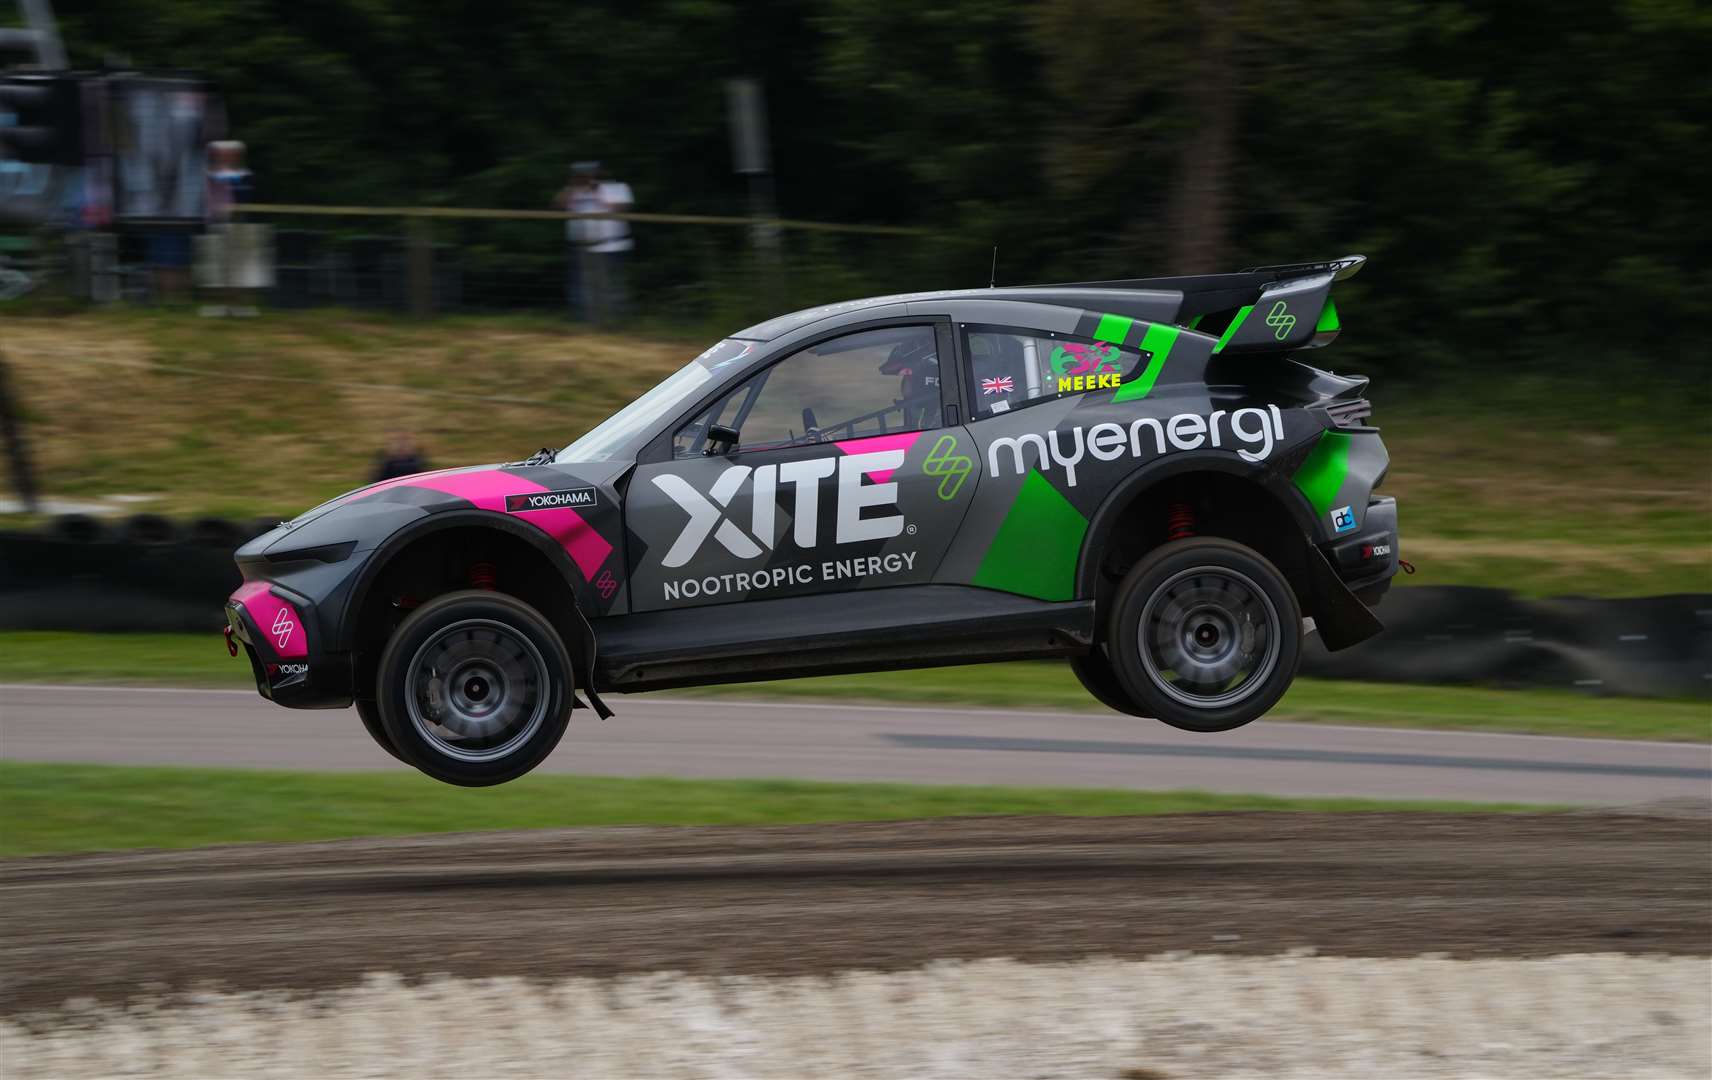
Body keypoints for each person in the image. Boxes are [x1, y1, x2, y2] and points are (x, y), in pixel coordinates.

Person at [553, 161, 633, 323]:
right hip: (581, 246)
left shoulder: (618, 188)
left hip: (611, 246)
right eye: (581, 174)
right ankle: (583, 320)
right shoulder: (574, 191)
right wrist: (572, 187)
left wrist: (596, 190)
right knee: (580, 286)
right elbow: (557, 205)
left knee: (611, 286)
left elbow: (619, 209)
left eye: (590, 173)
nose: (586, 177)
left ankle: (613, 321)